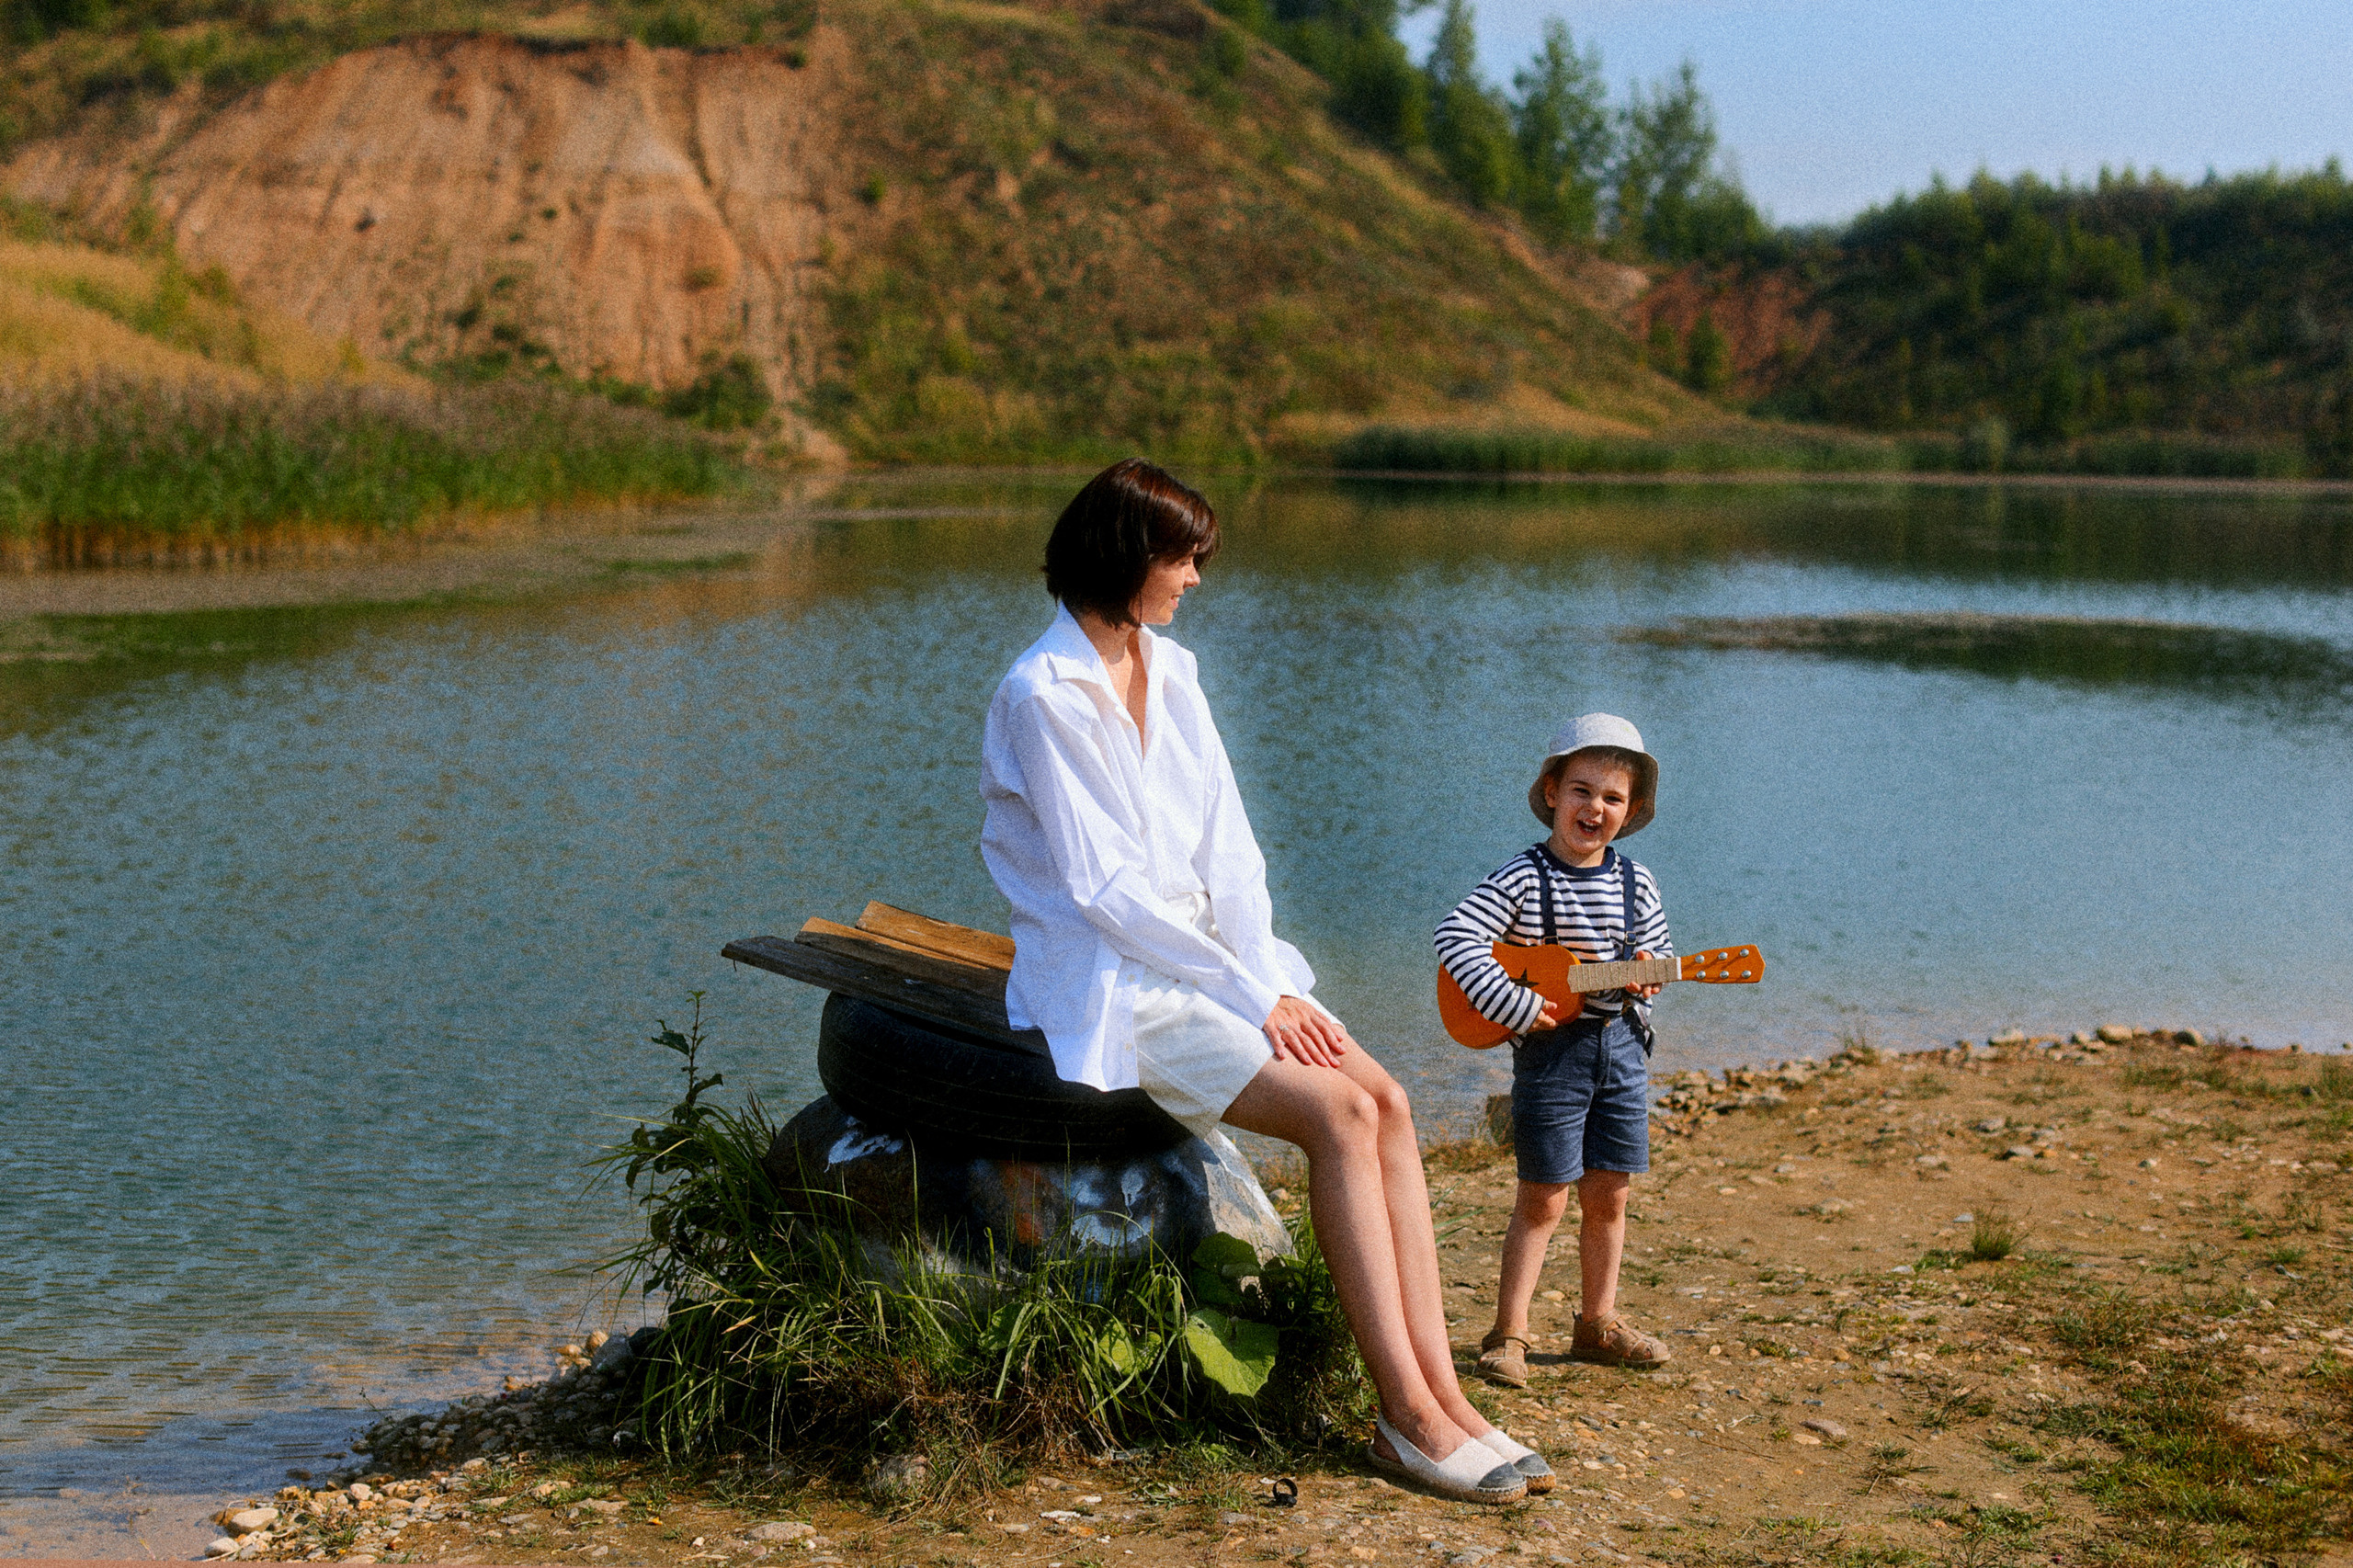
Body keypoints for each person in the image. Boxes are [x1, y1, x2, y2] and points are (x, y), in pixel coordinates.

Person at [980, 459, 1548, 1505]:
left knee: (1387, 1099)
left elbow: (1228, 854)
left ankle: (1446, 1394)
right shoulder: (1041, 694)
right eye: (1180, 555)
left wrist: (1274, 981)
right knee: (1336, 1115)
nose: (1194, 575)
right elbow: (1108, 893)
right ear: (1123, 555)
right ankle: (1403, 1415)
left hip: (1210, 965)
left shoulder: (1174, 671)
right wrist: (1252, 996)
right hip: (1112, 983)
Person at [1433, 715, 1677, 1390]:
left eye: (1612, 798)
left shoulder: (1639, 884)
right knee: (1542, 1199)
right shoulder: (1522, 876)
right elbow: (1454, 937)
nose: (1594, 807)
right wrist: (1513, 1007)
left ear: (1630, 813)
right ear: (1550, 792)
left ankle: (1597, 1322)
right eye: (1581, 790)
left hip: (1621, 1051)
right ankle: (1508, 1332)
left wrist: (1650, 979)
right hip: (1552, 1058)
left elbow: (1652, 954)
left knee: (1611, 1193)